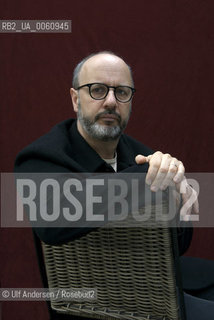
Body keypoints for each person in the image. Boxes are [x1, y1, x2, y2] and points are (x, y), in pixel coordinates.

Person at [14, 51, 214, 319]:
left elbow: (179, 243)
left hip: (153, 283)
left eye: (121, 92)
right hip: (97, 306)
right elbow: (53, 222)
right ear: (75, 99)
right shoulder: (41, 156)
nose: (110, 101)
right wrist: (151, 181)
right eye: (97, 90)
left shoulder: (141, 154)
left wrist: (177, 202)